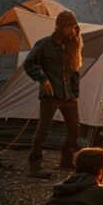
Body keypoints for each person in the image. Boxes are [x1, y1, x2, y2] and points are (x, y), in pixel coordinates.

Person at [23, 10, 83, 177]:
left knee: (74, 129)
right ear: (60, 27)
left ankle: (66, 161)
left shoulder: (72, 44)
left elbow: (74, 71)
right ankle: (35, 167)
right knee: (44, 129)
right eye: (69, 28)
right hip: (50, 95)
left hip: (68, 95)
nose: (73, 31)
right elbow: (29, 63)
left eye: (74, 27)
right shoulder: (43, 44)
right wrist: (43, 80)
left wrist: (75, 93)